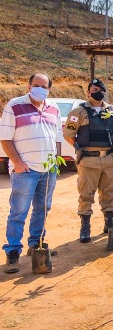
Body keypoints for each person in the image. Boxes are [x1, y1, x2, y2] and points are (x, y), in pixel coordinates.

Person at [1, 73, 62, 273]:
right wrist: (17, 162)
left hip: (48, 169)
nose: (39, 89)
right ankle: (12, 252)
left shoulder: (54, 108)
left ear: (49, 89)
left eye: (43, 86)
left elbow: (56, 138)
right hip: (25, 170)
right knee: (19, 211)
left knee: (43, 209)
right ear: (28, 86)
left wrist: (56, 162)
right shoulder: (14, 106)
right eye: (35, 85)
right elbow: (5, 138)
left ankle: (36, 244)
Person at [64, 78, 113, 244]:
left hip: (108, 159)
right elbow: (69, 135)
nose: (97, 92)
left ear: (105, 92)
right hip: (89, 160)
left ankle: (109, 222)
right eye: (94, 89)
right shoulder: (79, 112)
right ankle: (85, 226)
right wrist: (79, 148)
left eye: (100, 89)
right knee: (86, 194)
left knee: (108, 192)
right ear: (88, 92)